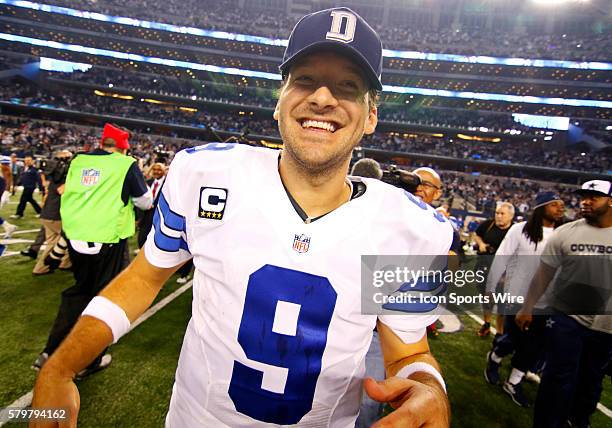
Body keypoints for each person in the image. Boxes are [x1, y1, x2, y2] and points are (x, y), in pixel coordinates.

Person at [31, 8, 452, 427]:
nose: (322, 97)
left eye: (348, 86)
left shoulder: (408, 230)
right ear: (280, 100)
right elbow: (144, 278)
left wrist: (430, 388)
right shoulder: (204, 175)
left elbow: (409, 352)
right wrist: (60, 367)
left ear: (371, 116)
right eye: (304, 79)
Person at [31, 123, 152, 376]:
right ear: (122, 147)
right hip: (107, 238)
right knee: (104, 299)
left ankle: (50, 350)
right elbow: (145, 200)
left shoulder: (78, 161)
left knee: (79, 292)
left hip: (76, 236)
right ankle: (90, 359)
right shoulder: (125, 164)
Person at [516, 180, 612, 428]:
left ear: (610, 201)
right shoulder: (566, 232)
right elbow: (543, 275)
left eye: (594, 197)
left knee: (591, 380)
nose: (586, 202)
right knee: (557, 377)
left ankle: (578, 420)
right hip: (567, 317)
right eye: (584, 196)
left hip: (606, 324)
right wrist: (528, 307)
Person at [483, 192, 565, 407]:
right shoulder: (520, 230)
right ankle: (495, 358)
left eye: (562, 205)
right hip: (517, 296)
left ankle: (513, 382)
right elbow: (502, 257)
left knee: (534, 346)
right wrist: (491, 286)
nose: (560, 208)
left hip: (547, 301)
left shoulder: (563, 234)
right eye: (554, 204)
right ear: (541, 207)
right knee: (512, 339)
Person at [474, 201, 515, 337]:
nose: (498, 216)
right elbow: (477, 234)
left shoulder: (515, 231)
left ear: (511, 216)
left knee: (502, 303)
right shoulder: (488, 224)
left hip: (505, 272)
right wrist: (481, 244)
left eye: (502, 213)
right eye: (497, 213)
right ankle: (486, 323)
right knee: (487, 299)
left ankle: (499, 332)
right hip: (484, 267)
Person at [32, 150, 73, 275]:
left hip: (47, 214)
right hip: (56, 215)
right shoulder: (63, 180)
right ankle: (42, 268)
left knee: (54, 241)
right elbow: (63, 191)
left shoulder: (53, 177)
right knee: (67, 239)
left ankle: (64, 263)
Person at [137, 162, 166, 248]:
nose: (156, 172)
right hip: (146, 214)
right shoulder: (148, 182)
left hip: (158, 214)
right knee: (142, 236)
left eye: (159, 170)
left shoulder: (168, 184)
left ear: (164, 171)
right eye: (154, 169)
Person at [11, 155, 44, 219]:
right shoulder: (25, 168)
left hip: (30, 187)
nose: (27, 162)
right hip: (26, 186)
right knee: (30, 200)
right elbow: (22, 178)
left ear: (32, 161)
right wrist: (17, 185)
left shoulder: (34, 169)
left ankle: (19, 214)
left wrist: (40, 189)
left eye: (29, 160)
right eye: (26, 160)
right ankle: (40, 212)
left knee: (23, 200)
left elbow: (39, 179)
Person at [0, 156, 16, 242]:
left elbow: (7, 183)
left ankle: (9, 227)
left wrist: (6, 193)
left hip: (2, 194)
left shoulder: (5, 169)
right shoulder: (5, 169)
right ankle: (9, 227)